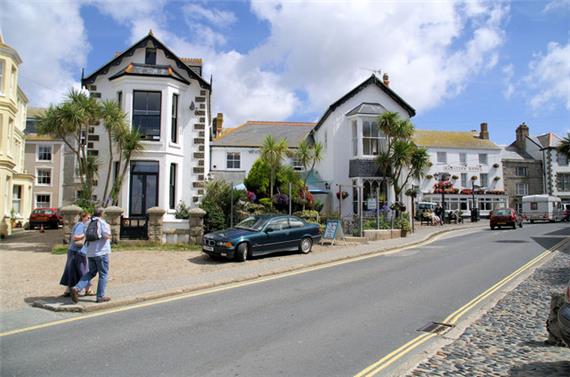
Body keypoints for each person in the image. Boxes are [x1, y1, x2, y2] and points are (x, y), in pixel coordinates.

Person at [71, 207, 112, 304]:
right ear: (102, 214)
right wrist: (110, 236)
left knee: (91, 272)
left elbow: (85, 235)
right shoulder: (103, 223)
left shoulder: (88, 223)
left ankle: (77, 288)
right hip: (101, 252)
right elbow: (106, 236)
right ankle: (100, 296)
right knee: (103, 274)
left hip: (90, 253)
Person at [59, 211, 93, 297]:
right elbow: (75, 237)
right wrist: (85, 235)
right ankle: (87, 289)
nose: (89, 220)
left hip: (72, 250)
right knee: (83, 270)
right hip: (78, 251)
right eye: (87, 218)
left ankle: (68, 290)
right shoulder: (81, 225)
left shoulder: (78, 225)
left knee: (71, 270)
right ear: (83, 217)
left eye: (90, 218)